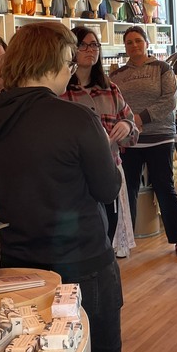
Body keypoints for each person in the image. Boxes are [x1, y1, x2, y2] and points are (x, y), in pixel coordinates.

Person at [0, 22, 124, 352]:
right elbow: (107, 189)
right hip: (81, 263)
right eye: (68, 62)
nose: (72, 71)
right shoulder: (75, 118)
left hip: (16, 267)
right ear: (51, 62)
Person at [111, 25, 177, 258]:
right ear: (124, 47)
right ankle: (124, 241)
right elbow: (113, 104)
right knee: (127, 191)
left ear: (146, 43)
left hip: (159, 138)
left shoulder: (162, 68)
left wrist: (139, 118)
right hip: (129, 141)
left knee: (164, 188)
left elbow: (170, 99)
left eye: (138, 41)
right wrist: (126, 124)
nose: (134, 46)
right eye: (129, 42)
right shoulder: (116, 75)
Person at [62, 26, 137, 251]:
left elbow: (132, 129)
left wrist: (126, 125)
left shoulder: (109, 89)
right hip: (74, 176)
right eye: (83, 45)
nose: (90, 50)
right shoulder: (61, 90)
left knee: (108, 231)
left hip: (109, 170)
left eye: (94, 45)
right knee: (84, 236)